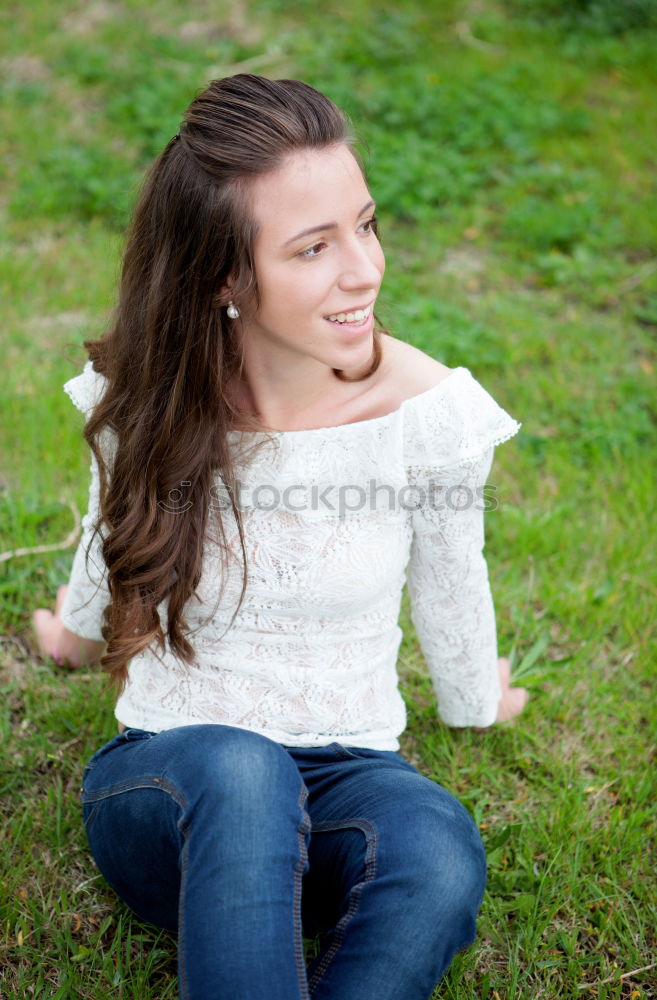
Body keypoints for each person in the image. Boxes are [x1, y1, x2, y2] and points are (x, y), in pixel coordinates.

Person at [33, 74, 528, 1000]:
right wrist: (73, 636)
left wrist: (473, 701)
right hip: (173, 778)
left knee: (437, 849)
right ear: (224, 275)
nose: (364, 269)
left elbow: (454, 579)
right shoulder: (150, 397)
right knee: (242, 767)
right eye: (312, 247)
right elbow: (113, 531)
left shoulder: (426, 413)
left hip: (348, 773)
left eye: (365, 225)